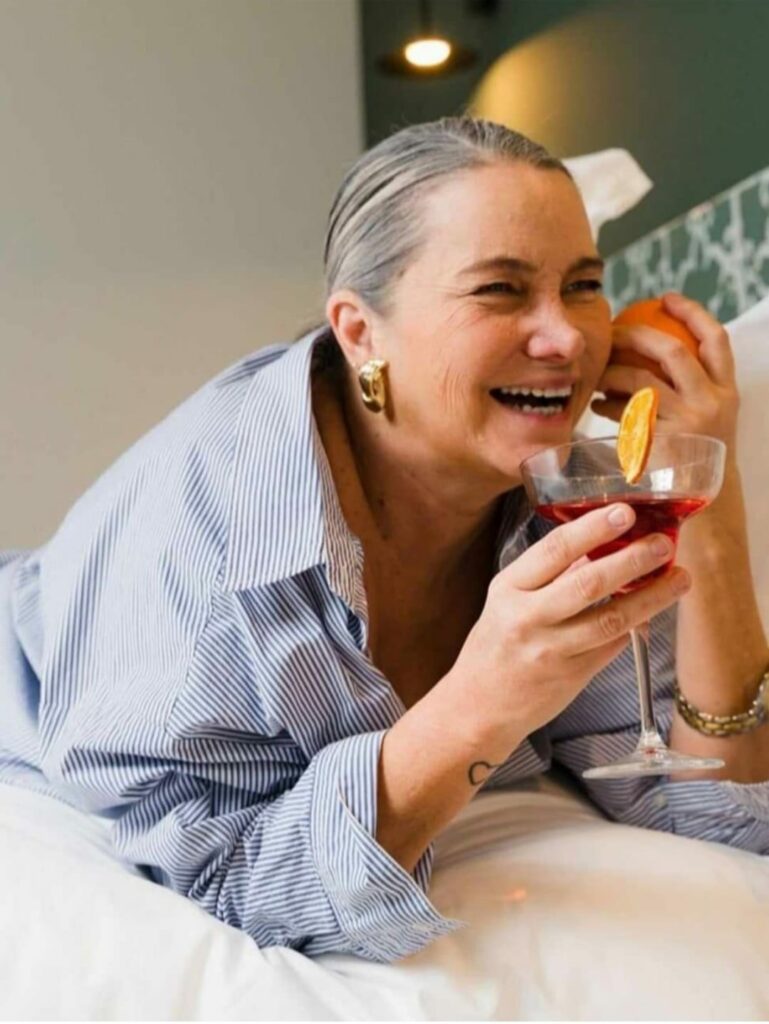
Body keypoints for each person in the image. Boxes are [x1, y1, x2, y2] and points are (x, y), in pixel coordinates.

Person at [0, 118, 767, 963]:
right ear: (360, 331)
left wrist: (711, 506)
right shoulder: (216, 542)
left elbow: (712, 815)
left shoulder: (558, 499)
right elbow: (224, 883)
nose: (566, 338)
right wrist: (479, 705)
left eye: (582, 284)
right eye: (499, 290)